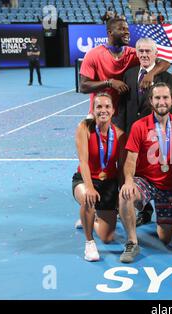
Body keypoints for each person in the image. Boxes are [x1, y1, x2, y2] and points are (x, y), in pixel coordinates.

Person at [118, 83, 172, 263]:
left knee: (165, 238)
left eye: (165, 98)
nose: (161, 101)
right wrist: (128, 181)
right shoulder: (139, 126)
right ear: (151, 101)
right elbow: (131, 159)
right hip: (146, 182)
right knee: (125, 195)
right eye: (157, 98)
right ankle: (132, 241)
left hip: (170, 186)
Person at [116, 37, 172, 227]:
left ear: (156, 54)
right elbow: (124, 106)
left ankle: (167, 208)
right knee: (138, 170)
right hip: (133, 132)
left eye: (148, 51)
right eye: (141, 51)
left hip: (156, 136)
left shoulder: (165, 76)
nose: (144, 55)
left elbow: (168, 107)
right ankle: (145, 211)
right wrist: (122, 131)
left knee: (158, 170)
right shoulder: (130, 74)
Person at [73, 92, 126, 261]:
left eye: (107, 106)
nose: (103, 110)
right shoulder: (84, 128)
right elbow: (83, 161)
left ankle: (89, 217)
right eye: (99, 107)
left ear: (113, 110)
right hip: (85, 179)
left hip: (108, 184)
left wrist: (120, 193)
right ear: (93, 110)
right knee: (88, 199)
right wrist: (89, 187)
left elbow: (121, 168)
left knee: (107, 237)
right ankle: (89, 243)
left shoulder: (119, 135)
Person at [79, 18, 170, 115]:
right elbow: (83, 87)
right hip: (100, 112)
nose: (127, 32)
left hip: (124, 114)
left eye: (127, 29)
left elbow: (165, 63)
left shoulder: (134, 54)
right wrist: (109, 83)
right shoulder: (93, 55)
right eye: (122, 29)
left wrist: (150, 74)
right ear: (110, 33)